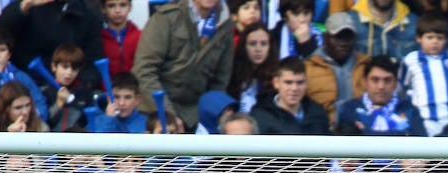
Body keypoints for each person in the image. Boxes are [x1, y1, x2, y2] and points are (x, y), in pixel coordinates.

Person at [132, 0, 235, 128]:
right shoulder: (166, 17)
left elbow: (221, 79)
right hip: (156, 112)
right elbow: (144, 70)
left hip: (197, 116)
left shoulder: (225, 24)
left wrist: (209, 114)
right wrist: (167, 114)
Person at [400, 12, 448, 137]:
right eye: (430, 37)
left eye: (439, 38)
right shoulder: (411, 60)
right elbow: (403, 87)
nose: (434, 42)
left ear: (446, 39)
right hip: (423, 117)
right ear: (419, 38)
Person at [251, 55, 331, 134]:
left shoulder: (318, 114)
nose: (294, 88)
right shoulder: (260, 117)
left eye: (300, 83)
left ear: (306, 83)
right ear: (276, 83)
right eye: (288, 82)